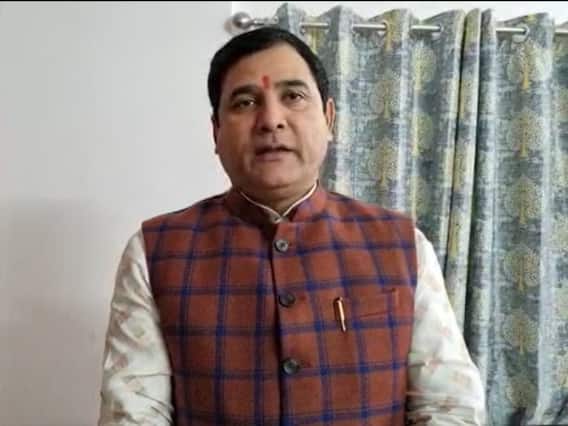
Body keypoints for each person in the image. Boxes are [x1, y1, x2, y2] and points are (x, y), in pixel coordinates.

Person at [98, 27, 486, 425]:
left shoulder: (402, 245)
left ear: (328, 118)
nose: (271, 120)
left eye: (293, 97)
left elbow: (450, 407)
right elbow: (133, 413)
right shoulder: (155, 252)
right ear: (216, 131)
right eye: (245, 102)